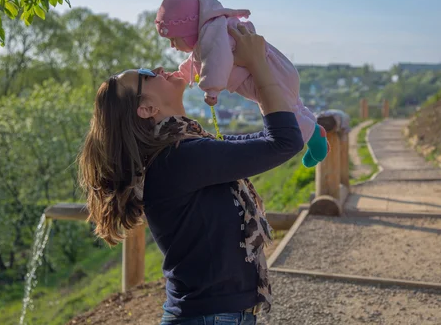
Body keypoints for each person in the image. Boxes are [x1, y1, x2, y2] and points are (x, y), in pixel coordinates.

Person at [77, 24, 304, 325]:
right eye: (146, 74)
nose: (158, 68)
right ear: (146, 108)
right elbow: (284, 141)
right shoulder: (179, 159)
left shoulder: (184, 150)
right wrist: (257, 63)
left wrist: (245, 72)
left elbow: (276, 137)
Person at [155, 0, 328, 168]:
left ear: (188, 30)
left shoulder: (215, 35)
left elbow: (217, 62)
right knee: (294, 106)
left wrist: (212, 89)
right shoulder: (214, 31)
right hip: (280, 71)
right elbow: (198, 60)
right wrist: (183, 74)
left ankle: (315, 138)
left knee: (285, 116)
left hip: (267, 77)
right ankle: (315, 129)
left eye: (174, 39)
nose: (173, 46)